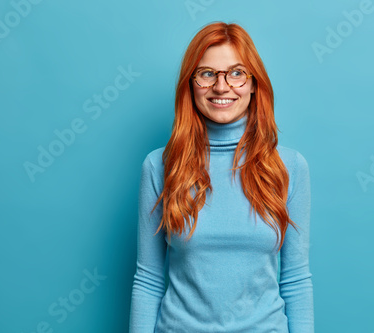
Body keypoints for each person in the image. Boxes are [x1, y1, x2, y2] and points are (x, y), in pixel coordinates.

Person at [129, 22, 314, 333]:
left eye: (236, 73)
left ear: (255, 84)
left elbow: (296, 278)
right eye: (207, 74)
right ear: (191, 84)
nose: (221, 86)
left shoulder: (290, 167)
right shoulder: (160, 166)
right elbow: (148, 278)